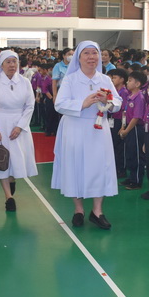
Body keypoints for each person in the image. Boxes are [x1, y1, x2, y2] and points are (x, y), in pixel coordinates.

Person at [51, 41, 123, 229]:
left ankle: (97, 211)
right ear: (79, 57)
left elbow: (118, 102)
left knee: (100, 167)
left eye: (94, 53)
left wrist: (108, 101)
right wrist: (82, 104)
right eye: (87, 53)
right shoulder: (70, 79)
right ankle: (79, 209)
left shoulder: (105, 79)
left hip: (98, 129)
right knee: (75, 166)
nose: (91, 57)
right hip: (75, 128)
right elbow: (59, 104)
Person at [0, 50, 38, 212]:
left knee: (16, 159)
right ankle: (9, 197)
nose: (12, 65)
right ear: (1, 64)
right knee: (3, 159)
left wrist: (20, 126)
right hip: (0, 123)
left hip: (20, 124)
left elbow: (30, 106)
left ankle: (12, 180)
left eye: (14, 61)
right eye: (8, 62)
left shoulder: (24, 82)